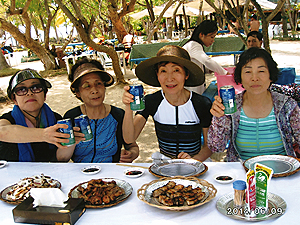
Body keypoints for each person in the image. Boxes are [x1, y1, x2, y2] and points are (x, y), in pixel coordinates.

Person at [122, 45, 213, 162]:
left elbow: (209, 146)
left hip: (195, 163)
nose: (169, 78)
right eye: (163, 71)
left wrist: (193, 161)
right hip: (164, 165)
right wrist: (128, 107)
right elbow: (129, 138)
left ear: (186, 74)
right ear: (157, 75)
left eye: (176, 70)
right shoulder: (152, 101)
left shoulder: (201, 104)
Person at [208, 47, 300, 162]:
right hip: (241, 174)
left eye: (261, 71)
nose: (254, 78)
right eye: (248, 72)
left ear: (270, 75)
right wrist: (218, 118)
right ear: (240, 77)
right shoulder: (232, 105)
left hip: (281, 172)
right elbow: (216, 147)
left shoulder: (287, 106)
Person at [56, 57, 139, 163]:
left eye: (98, 83)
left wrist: (132, 154)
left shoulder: (117, 115)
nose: (94, 90)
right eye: (87, 86)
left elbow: (132, 146)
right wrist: (71, 142)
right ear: (78, 92)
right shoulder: (71, 117)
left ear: (104, 86)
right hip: (81, 175)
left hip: (111, 176)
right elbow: (62, 158)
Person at [0, 69, 70, 162]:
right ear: (14, 99)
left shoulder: (55, 119)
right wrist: (44, 135)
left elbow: (60, 159)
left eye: (36, 87)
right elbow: (2, 132)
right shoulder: (8, 119)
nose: (30, 93)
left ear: (44, 95)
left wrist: (70, 142)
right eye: (21, 90)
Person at [183, 20, 229, 95]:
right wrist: (224, 73)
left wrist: (208, 70)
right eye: (211, 37)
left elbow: (197, 63)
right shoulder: (193, 45)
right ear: (201, 35)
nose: (213, 40)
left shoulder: (195, 45)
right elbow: (207, 61)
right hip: (191, 88)